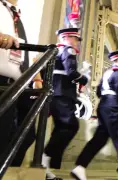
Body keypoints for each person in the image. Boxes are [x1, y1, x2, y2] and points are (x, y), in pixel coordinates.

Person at [71, 50, 118, 180]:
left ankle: (80, 167)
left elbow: (99, 92)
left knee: (99, 139)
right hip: (114, 107)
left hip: (104, 106)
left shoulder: (107, 73)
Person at [0, 0, 43, 167]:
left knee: (23, 135)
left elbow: (29, 54)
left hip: (16, 86)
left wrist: (37, 79)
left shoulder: (19, 17)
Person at [42, 28, 88, 180]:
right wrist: (84, 79)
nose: (76, 43)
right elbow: (71, 72)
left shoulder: (55, 52)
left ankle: (46, 166)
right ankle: (45, 158)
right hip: (62, 94)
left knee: (61, 128)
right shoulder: (68, 50)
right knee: (70, 126)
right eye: (75, 39)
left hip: (55, 93)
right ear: (67, 38)